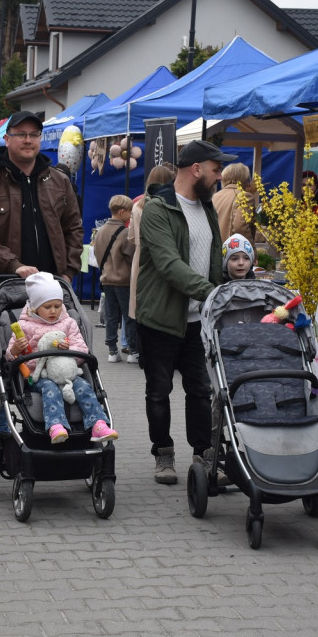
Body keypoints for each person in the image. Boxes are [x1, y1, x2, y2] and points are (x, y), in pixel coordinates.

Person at [0, 110, 84, 433]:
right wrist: (13, 264)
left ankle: (64, 425)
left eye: (34, 134)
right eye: (21, 134)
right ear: (7, 140)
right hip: (7, 291)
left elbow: (75, 229)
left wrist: (69, 273)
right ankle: (2, 434)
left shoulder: (59, 181)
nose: (29, 140)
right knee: (3, 362)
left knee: (65, 357)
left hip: (53, 293)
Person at [137, 140, 234, 484]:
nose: (219, 176)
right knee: (159, 392)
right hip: (160, 319)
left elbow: (210, 259)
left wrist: (222, 289)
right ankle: (163, 453)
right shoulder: (157, 208)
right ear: (196, 169)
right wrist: (215, 294)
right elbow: (168, 264)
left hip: (199, 321)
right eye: (215, 169)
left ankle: (204, 454)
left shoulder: (206, 208)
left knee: (201, 391)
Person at [5, 272, 117, 443]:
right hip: (39, 374)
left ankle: (98, 423)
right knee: (50, 388)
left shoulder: (68, 323)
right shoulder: (24, 326)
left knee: (85, 387)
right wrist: (15, 350)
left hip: (68, 373)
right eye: (47, 306)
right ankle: (56, 426)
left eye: (57, 306)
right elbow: (10, 357)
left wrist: (68, 349)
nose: (53, 311)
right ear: (34, 307)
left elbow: (82, 349)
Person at [129, 163, 177, 322]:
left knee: (139, 304)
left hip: (140, 255)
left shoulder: (137, 206)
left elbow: (131, 237)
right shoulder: (168, 205)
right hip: (161, 254)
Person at [92, 194, 137, 364]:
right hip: (124, 281)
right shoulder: (125, 233)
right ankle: (133, 351)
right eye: (130, 212)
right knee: (129, 316)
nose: (131, 215)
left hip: (106, 280)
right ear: (122, 211)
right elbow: (132, 256)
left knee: (111, 316)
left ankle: (112, 350)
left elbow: (97, 256)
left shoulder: (100, 231)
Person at [212, 162, 256, 242]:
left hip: (213, 250)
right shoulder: (244, 196)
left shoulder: (214, 197)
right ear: (245, 179)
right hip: (232, 251)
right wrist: (251, 251)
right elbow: (241, 227)